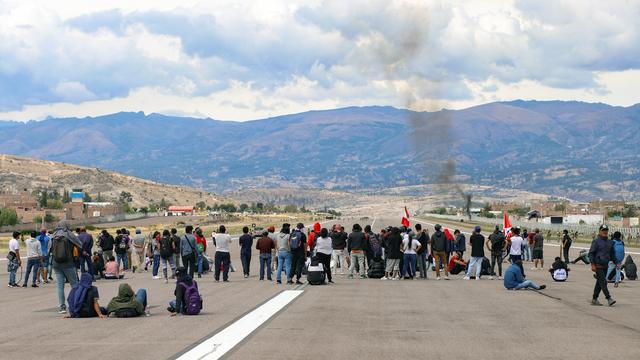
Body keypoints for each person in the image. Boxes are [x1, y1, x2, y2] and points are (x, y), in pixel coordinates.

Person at [51, 220, 83, 314]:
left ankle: (62, 307)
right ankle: (76, 305)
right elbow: (80, 244)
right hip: (68, 263)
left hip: (56, 264)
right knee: (74, 285)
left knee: (60, 287)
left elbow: (50, 250)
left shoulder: (54, 235)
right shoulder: (69, 234)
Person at [589, 225, 616, 306]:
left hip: (605, 266)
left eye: (606, 230)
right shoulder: (596, 241)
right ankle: (609, 298)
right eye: (603, 230)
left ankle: (594, 299)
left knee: (599, 283)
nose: (605, 231)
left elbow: (612, 254)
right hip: (598, 265)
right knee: (603, 282)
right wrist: (593, 264)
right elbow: (591, 254)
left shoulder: (610, 242)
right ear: (600, 231)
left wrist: (616, 262)